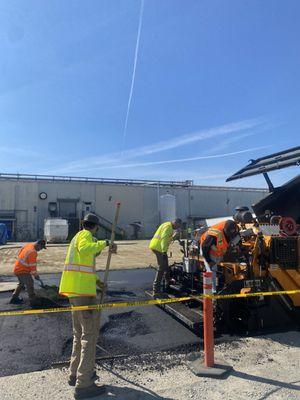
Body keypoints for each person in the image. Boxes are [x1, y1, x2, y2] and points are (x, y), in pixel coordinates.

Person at [59, 213, 117, 400]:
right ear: (96, 227)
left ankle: (75, 373)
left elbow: (83, 269)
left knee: (78, 333)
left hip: (75, 292)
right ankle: (84, 384)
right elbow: (87, 249)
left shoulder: (75, 238)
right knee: (89, 336)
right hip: (83, 295)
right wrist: (105, 243)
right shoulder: (85, 236)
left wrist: (98, 283)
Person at [200, 220, 240, 293]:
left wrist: (234, 247)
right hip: (208, 249)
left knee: (221, 266)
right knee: (212, 270)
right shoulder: (214, 235)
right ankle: (213, 291)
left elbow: (237, 237)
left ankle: (223, 284)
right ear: (225, 230)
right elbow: (205, 247)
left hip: (219, 250)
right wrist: (209, 261)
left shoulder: (235, 229)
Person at [149, 218, 182, 297]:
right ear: (175, 223)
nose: (177, 228)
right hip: (159, 248)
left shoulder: (166, 224)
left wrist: (174, 237)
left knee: (166, 265)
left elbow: (167, 239)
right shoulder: (168, 228)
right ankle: (156, 290)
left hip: (157, 246)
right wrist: (164, 252)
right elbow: (164, 239)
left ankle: (168, 281)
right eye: (178, 226)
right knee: (162, 267)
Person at [10, 239, 46, 305]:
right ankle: (33, 301)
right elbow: (32, 266)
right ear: (38, 245)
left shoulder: (29, 245)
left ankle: (14, 298)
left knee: (21, 283)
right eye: (41, 247)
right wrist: (35, 275)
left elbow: (20, 251)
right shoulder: (33, 252)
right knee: (30, 283)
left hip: (17, 268)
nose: (40, 249)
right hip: (22, 270)